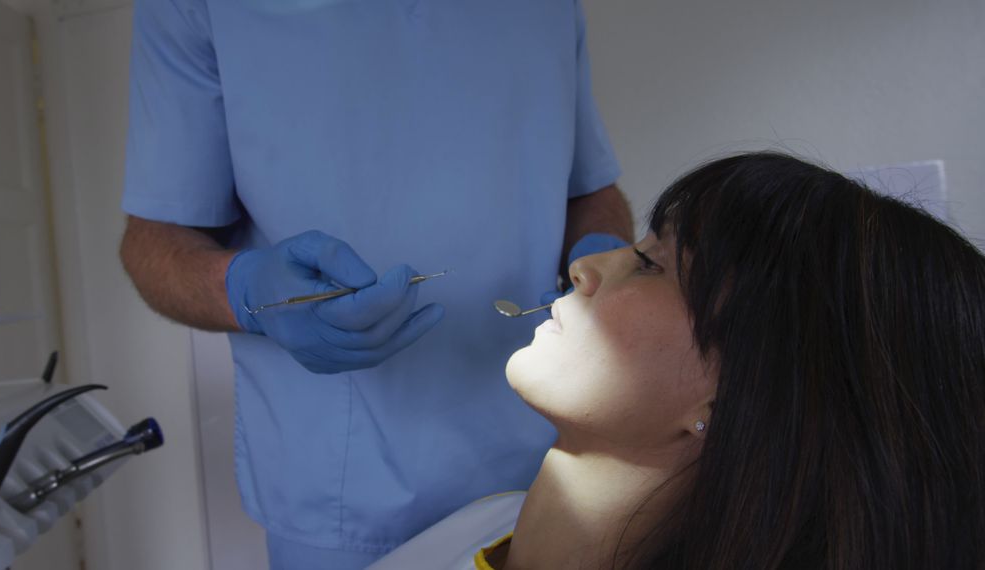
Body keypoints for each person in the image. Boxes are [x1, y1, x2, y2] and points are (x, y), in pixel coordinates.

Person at [117, 0, 634, 567]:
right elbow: (153, 243)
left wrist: (603, 259)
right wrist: (248, 292)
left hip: (547, 462)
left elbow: (592, 192)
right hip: (341, 497)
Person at [369, 152, 985, 569]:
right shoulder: (478, 525)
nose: (583, 267)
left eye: (652, 264)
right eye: (640, 246)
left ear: (732, 402)